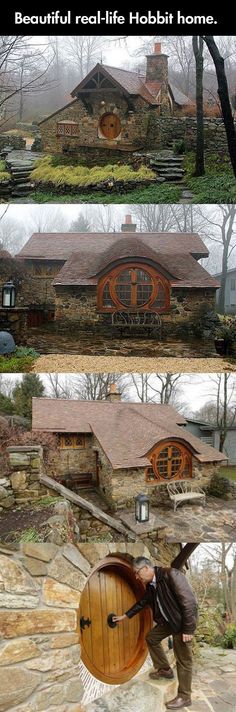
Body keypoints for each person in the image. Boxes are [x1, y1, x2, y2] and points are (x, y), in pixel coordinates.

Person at [113, 556, 198, 710]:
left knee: (184, 660)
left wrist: (188, 629)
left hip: (181, 624)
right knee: (151, 638)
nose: (137, 577)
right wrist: (126, 616)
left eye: (137, 573)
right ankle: (165, 669)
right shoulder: (151, 586)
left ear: (146, 568)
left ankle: (185, 697)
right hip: (168, 622)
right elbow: (142, 603)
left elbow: (189, 602)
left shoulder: (171, 575)